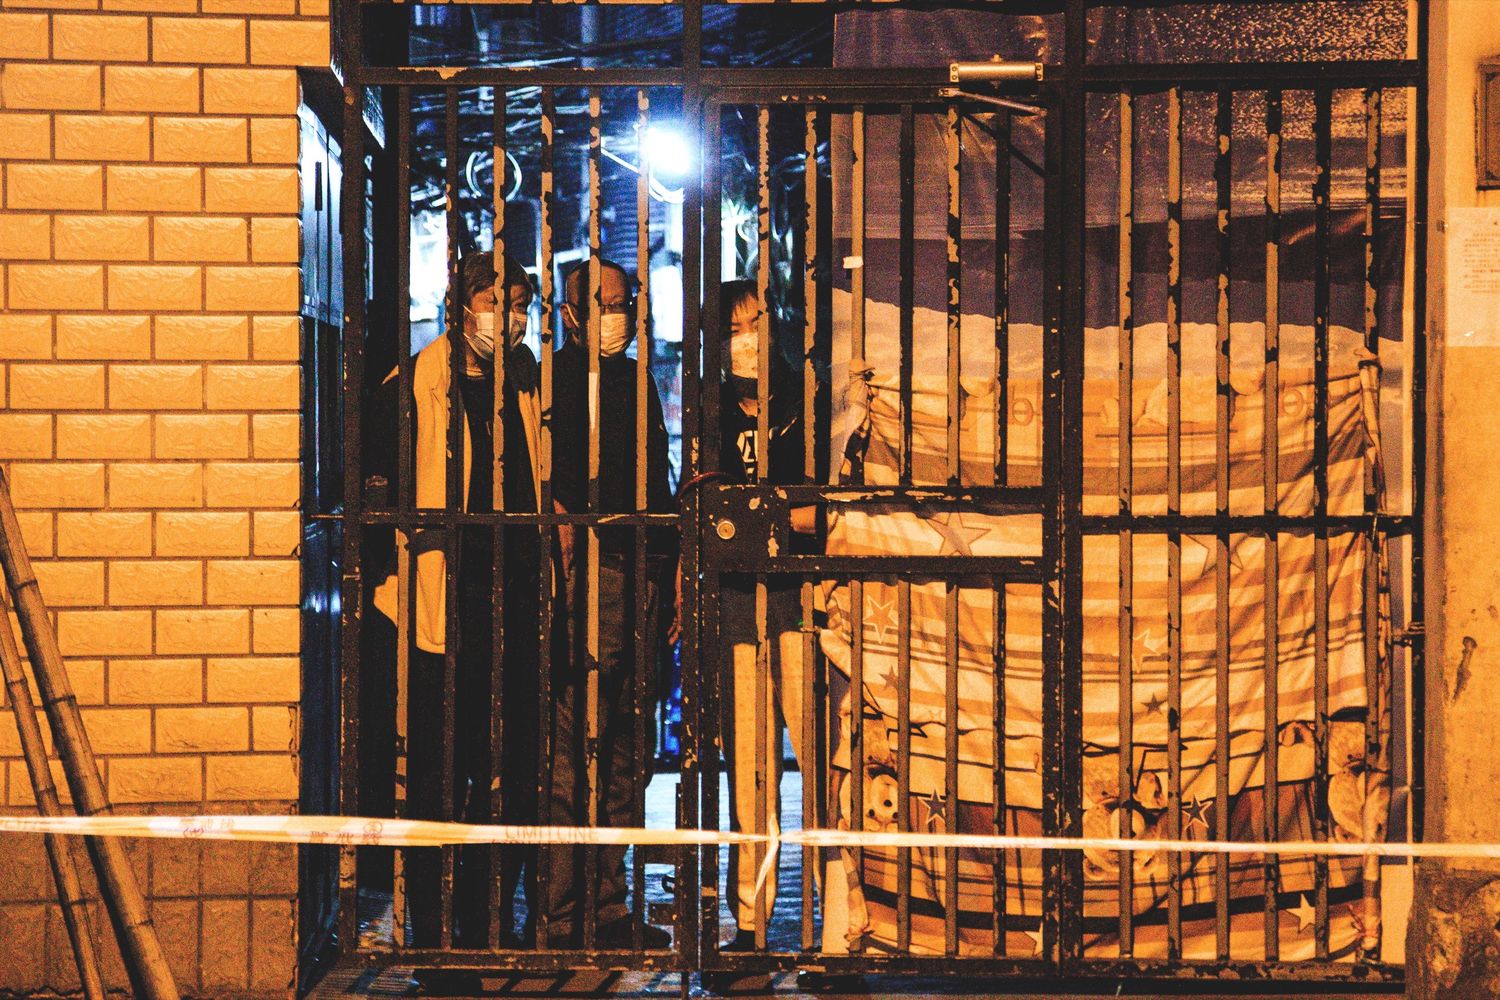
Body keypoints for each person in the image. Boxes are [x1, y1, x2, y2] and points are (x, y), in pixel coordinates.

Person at [366, 250, 551, 947]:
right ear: (461, 305)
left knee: (515, 770)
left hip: (518, 600)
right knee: (446, 772)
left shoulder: (526, 380)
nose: (509, 317)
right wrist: (392, 589)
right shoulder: (416, 382)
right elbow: (377, 499)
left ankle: (500, 918)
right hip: (445, 605)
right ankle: (441, 929)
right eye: (495, 301)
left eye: (521, 302)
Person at [712, 280, 847, 961]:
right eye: (734, 326)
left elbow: (825, 508)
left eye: (756, 322)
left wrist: (753, 515)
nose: (747, 337)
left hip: (802, 604)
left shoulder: (804, 403)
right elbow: (706, 513)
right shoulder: (712, 412)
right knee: (751, 776)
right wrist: (775, 514)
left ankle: (839, 926)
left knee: (824, 769)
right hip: (738, 607)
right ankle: (751, 923)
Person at [546, 259, 675, 948]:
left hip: (638, 572)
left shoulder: (634, 380)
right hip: (587, 577)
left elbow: (658, 474)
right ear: (570, 314)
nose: (615, 317)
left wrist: (671, 566)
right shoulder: (556, 382)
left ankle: (609, 906)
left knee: (627, 749)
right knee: (578, 747)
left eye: (623, 303)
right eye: (601, 304)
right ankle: (567, 913)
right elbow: (548, 479)